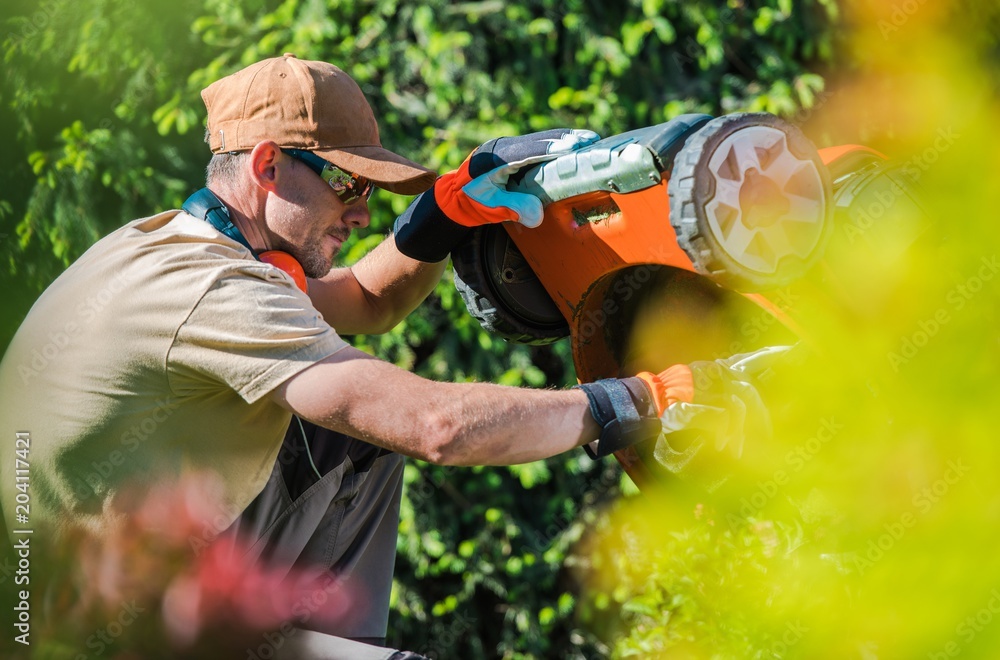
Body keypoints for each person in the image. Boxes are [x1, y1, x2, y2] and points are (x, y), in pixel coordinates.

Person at [0, 55, 766, 658]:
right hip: (84, 632)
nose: (364, 210)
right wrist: (641, 401)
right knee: (371, 419)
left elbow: (367, 300)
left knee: (340, 422)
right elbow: (436, 426)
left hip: (99, 580)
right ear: (268, 167)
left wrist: (442, 217)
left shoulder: (177, 247)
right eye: (348, 182)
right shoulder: (215, 293)